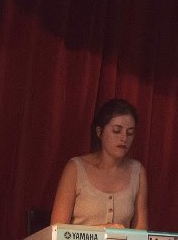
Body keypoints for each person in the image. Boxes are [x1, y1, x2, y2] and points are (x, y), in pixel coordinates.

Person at [51, 98, 148, 229]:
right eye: (116, 131)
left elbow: (141, 232)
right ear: (99, 132)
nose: (124, 138)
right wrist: (103, 230)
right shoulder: (75, 168)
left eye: (130, 133)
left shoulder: (137, 171)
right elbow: (57, 230)